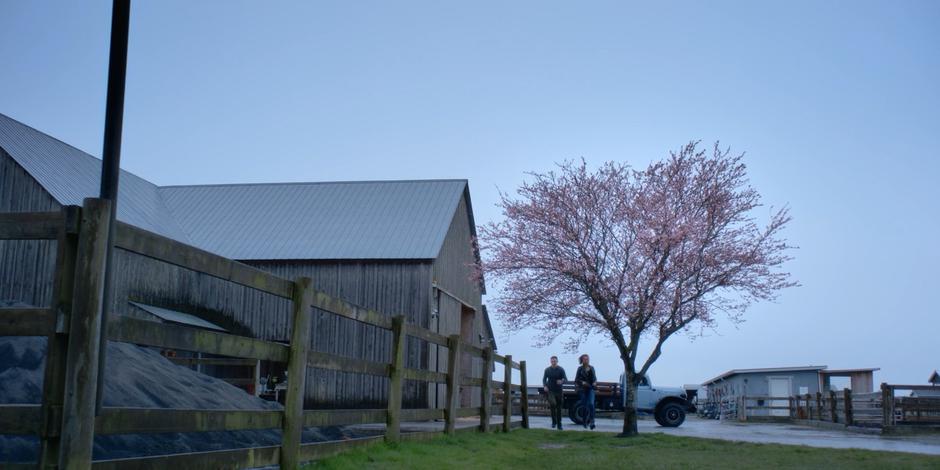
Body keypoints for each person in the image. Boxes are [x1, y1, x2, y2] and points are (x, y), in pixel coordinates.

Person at [542, 356, 567, 430]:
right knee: (553, 404)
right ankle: (554, 422)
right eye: (552, 361)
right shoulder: (547, 370)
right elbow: (544, 379)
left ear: (557, 361)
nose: (553, 362)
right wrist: (545, 386)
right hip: (551, 390)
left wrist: (561, 381)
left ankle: (559, 424)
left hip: (559, 391)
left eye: (555, 361)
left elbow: (565, 379)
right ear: (550, 362)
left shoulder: (561, 369)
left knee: (559, 408)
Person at [574, 354, 597, 429]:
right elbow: (576, 380)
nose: (586, 360)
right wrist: (582, 382)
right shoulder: (580, 369)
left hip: (590, 388)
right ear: (582, 360)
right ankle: (584, 421)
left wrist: (594, 382)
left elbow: (594, 378)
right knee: (584, 405)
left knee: (591, 404)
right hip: (582, 389)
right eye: (585, 359)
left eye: (587, 359)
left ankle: (592, 421)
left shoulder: (592, 368)